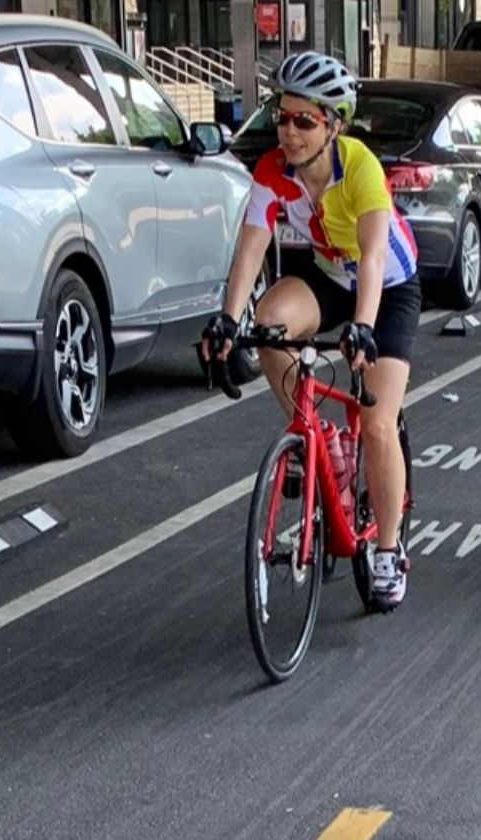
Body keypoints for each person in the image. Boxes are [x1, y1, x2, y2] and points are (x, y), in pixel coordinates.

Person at [200, 51, 422, 611]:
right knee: (269, 326)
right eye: (282, 116)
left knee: (376, 423)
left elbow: (373, 258)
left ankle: (390, 551)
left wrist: (363, 329)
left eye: (306, 121)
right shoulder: (272, 171)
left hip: (389, 288)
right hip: (328, 277)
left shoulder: (360, 167)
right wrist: (229, 320)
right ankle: (312, 436)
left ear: (335, 125)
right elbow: (250, 247)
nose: (290, 132)